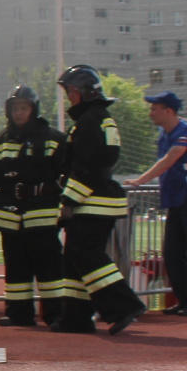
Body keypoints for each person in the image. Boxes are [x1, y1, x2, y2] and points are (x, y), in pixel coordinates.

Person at [54, 65, 147, 335]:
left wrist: (69, 200)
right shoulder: (97, 118)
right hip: (97, 200)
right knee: (74, 258)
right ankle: (76, 318)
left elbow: (89, 166)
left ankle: (124, 306)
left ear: (85, 92)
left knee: (87, 254)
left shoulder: (89, 121)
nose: (69, 96)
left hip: (91, 201)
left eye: (71, 91)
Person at [0, 85, 66, 327]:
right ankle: (19, 314)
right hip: (9, 219)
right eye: (15, 108)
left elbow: (66, 176)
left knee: (50, 270)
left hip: (44, 217)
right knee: (16, 270)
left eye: (24, 107)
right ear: (8, 111)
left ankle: (55, 315)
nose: (19, 112)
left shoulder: (55, 139)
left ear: (34, 109)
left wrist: (66, 206)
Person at [130, 90, 187, 316]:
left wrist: (141, 180)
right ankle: (185, 300)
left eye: (153, 108)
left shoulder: (186, 131)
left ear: (168, 111)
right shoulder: (164, 134)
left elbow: (170, 159)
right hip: (178, 200)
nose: (150, 113)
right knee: (172, 251)